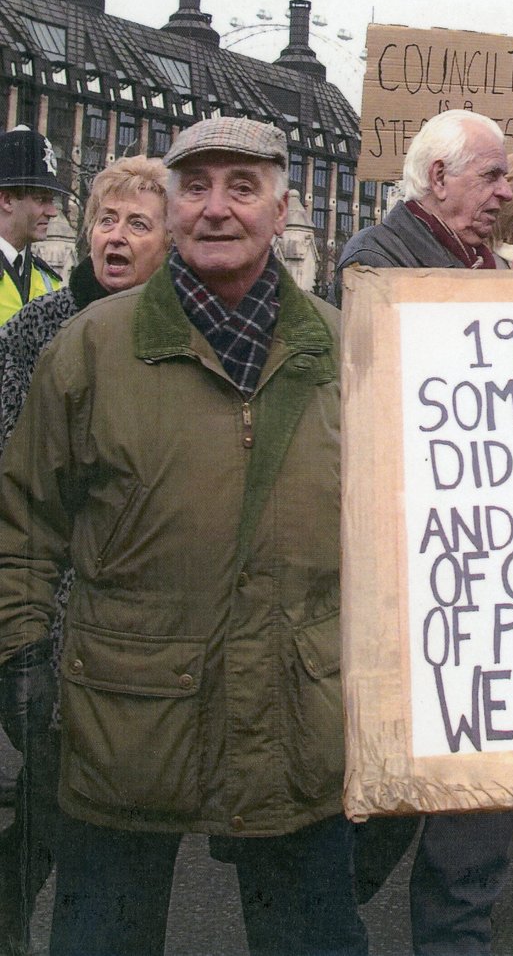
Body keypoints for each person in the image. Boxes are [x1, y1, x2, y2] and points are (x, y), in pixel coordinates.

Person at [0, 117, 366, 956]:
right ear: (170, 210)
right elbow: (22, 523)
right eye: (194, 187)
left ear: (282, 210)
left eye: (242, 187)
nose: (216, 207)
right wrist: (23, 665)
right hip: (122, 731)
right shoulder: (91, 348)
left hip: (299, 728)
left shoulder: (346, 350)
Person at [339, 109, 513, 956]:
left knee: (473, 816)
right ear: (438, 179)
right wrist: (507, 301)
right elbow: (411, 375)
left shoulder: (479, 265)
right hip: (418, 580)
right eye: (491, 176)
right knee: (393, 807)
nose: (506, 194)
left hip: (487, 581)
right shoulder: (373, 259)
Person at [0, 155, 170, 956]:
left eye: (139, 223)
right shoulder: (35, 332)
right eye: (106, 219)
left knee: (82, 818)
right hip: (55, 625)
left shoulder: (181, 339)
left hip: (146, 636)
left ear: (169, 242)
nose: (116, 237)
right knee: (77, 815)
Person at [0, 128, 67, 328]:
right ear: (7, 200)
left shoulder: (48, 280)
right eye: (41, 199)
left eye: (51, 200)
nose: (52, 212)